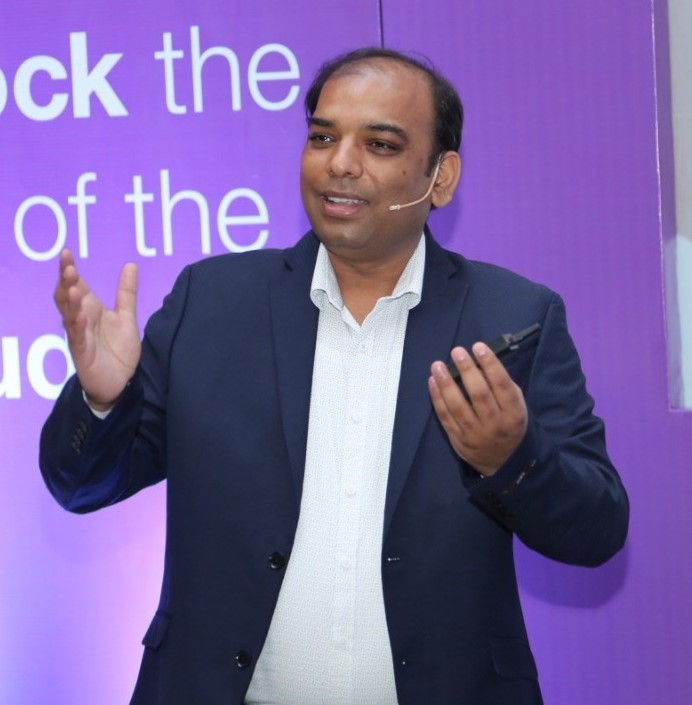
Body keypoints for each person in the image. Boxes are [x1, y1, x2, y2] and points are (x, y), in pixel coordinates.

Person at [40, 48, 629, 705]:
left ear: (441, 177)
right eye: (322, 137)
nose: (340, 163)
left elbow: (597, 529)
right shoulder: (212, 303)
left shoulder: (514, 318)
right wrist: (101, 399)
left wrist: (510, 459)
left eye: (379, 144)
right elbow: (81, 486)